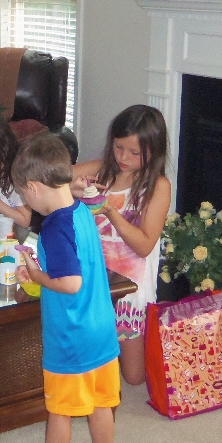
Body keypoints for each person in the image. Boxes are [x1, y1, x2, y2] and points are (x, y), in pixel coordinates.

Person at [10, 133, 120, 443]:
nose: (26, 203)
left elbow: (70, 283)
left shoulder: (54, 229)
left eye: (24, 195)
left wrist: (37, 275)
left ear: (33, 187)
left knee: (60, 409)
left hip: (72, 336)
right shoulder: (81, 210)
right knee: (101, 403)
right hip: (102, 329)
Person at [72, 105, 171, 385]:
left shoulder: (158, 186)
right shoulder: (100, 170)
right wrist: (70, 188)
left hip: (128, 290)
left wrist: (109, 211)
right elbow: (47, 182)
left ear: (153, 151)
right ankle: (100, 350)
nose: (123, 157)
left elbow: (144, 246)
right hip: (90, 278)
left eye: (134, 153)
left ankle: (119, 345)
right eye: (118, 147)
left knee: (134, 378)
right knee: (86, 362)